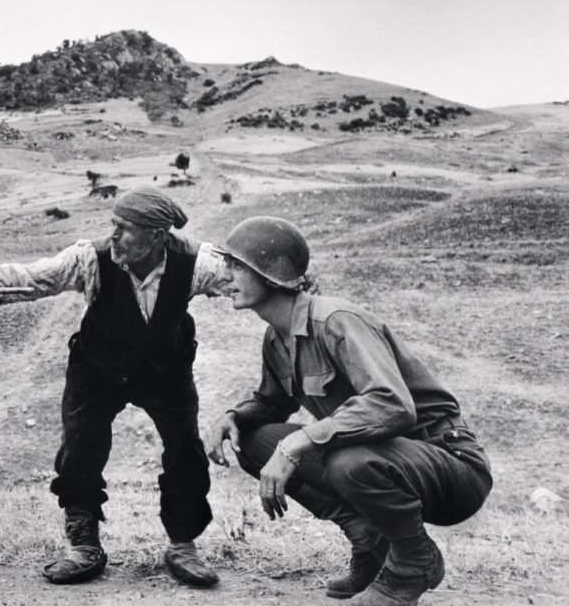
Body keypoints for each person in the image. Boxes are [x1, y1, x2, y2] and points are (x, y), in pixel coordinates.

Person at [0, 187, 230, 587]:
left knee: (185, 449)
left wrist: (295, 285)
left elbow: (246, 276)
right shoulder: (89, 258)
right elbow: (31, 278)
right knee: (80, 449)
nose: (113, 236)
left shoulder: (196, 262)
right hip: (97, 368)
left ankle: (183, 545)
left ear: (158, 236)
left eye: (124, 229)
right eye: (113, 225)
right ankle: (84, 546)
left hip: (164, 370)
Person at [204, 216, 492, 606]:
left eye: (237, 266)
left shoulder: (336, 321)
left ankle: (413, 563)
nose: (225, 275)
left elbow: (392, 405)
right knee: (255, 441)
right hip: (386, 461)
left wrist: (301, 441)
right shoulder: (277, 337)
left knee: (345, 459)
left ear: (270, 275)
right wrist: (233, 417)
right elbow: (272, 404)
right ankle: (369, 542)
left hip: (449, 465)